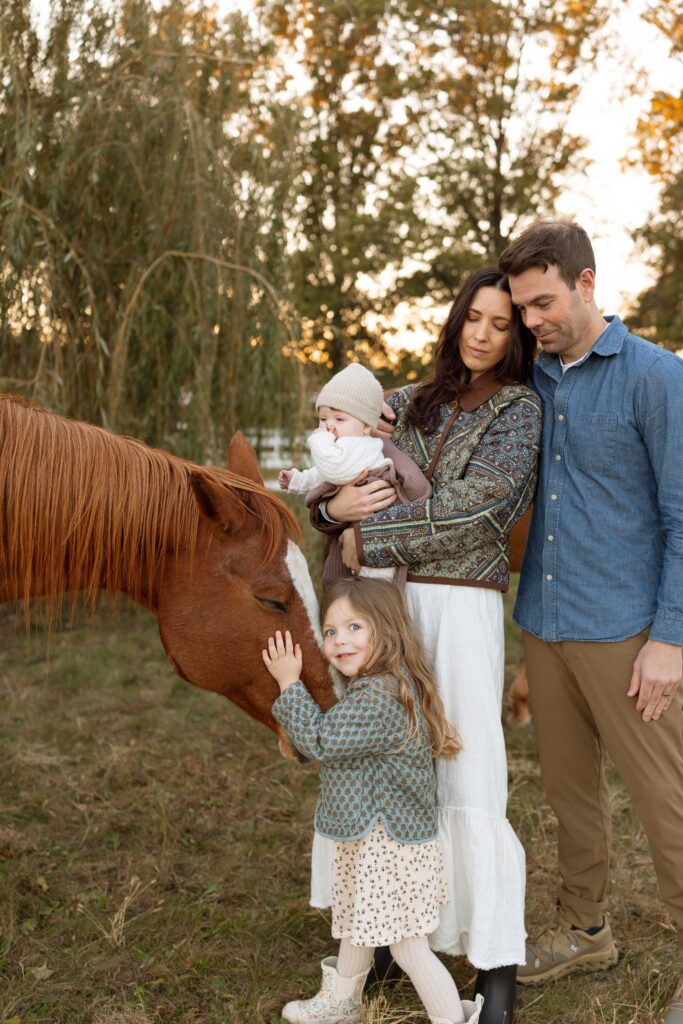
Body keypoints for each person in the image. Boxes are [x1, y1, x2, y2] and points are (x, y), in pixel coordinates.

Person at [310, 266, 542, 1024]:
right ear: (455, 319)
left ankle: (493, 963)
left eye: (500, 324)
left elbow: (479, 512)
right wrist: (329, 511)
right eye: (472, 318)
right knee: (382, 759)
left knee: (469, 769)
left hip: (460, 607)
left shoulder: (517, 410)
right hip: (381, 599)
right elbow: (338, 457)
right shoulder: (404, 402)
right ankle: (379, 938)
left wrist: (361, 527)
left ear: (515, 336)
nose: (481, 334)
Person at [497, 221, 683, 1023]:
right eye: (521, 308)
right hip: (543, 620)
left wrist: (670, 639)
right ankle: (584, 927)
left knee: (665, 801)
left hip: (629, 636)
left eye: (542, 303)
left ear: (585, 283)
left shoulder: (656, 377)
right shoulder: (531, 381)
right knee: (570, 795)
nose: (531, 320)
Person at [264, 578, 484, 1024]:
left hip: (390, 846)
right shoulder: (380, 687)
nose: (339, 639)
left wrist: (289, 684)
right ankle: (341, 1004)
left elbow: (321, 740)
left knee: (407, 946)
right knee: (357, 923)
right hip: (375, 839)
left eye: (354, 627)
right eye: (330, 631)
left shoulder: (379, 699)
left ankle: (452, 1021)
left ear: (387, 631)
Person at [279, 362, 432, 585]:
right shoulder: (342, 451)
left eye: (339, 419)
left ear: (367, 427)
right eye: (323, 419)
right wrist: (297, 480)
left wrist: (318, 439)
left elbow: (334, 469)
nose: (329, 426)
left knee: (371, 589)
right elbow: (322, 474)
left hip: (377, 528)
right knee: (339, 582)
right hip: (350, 528)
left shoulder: (361, 446)